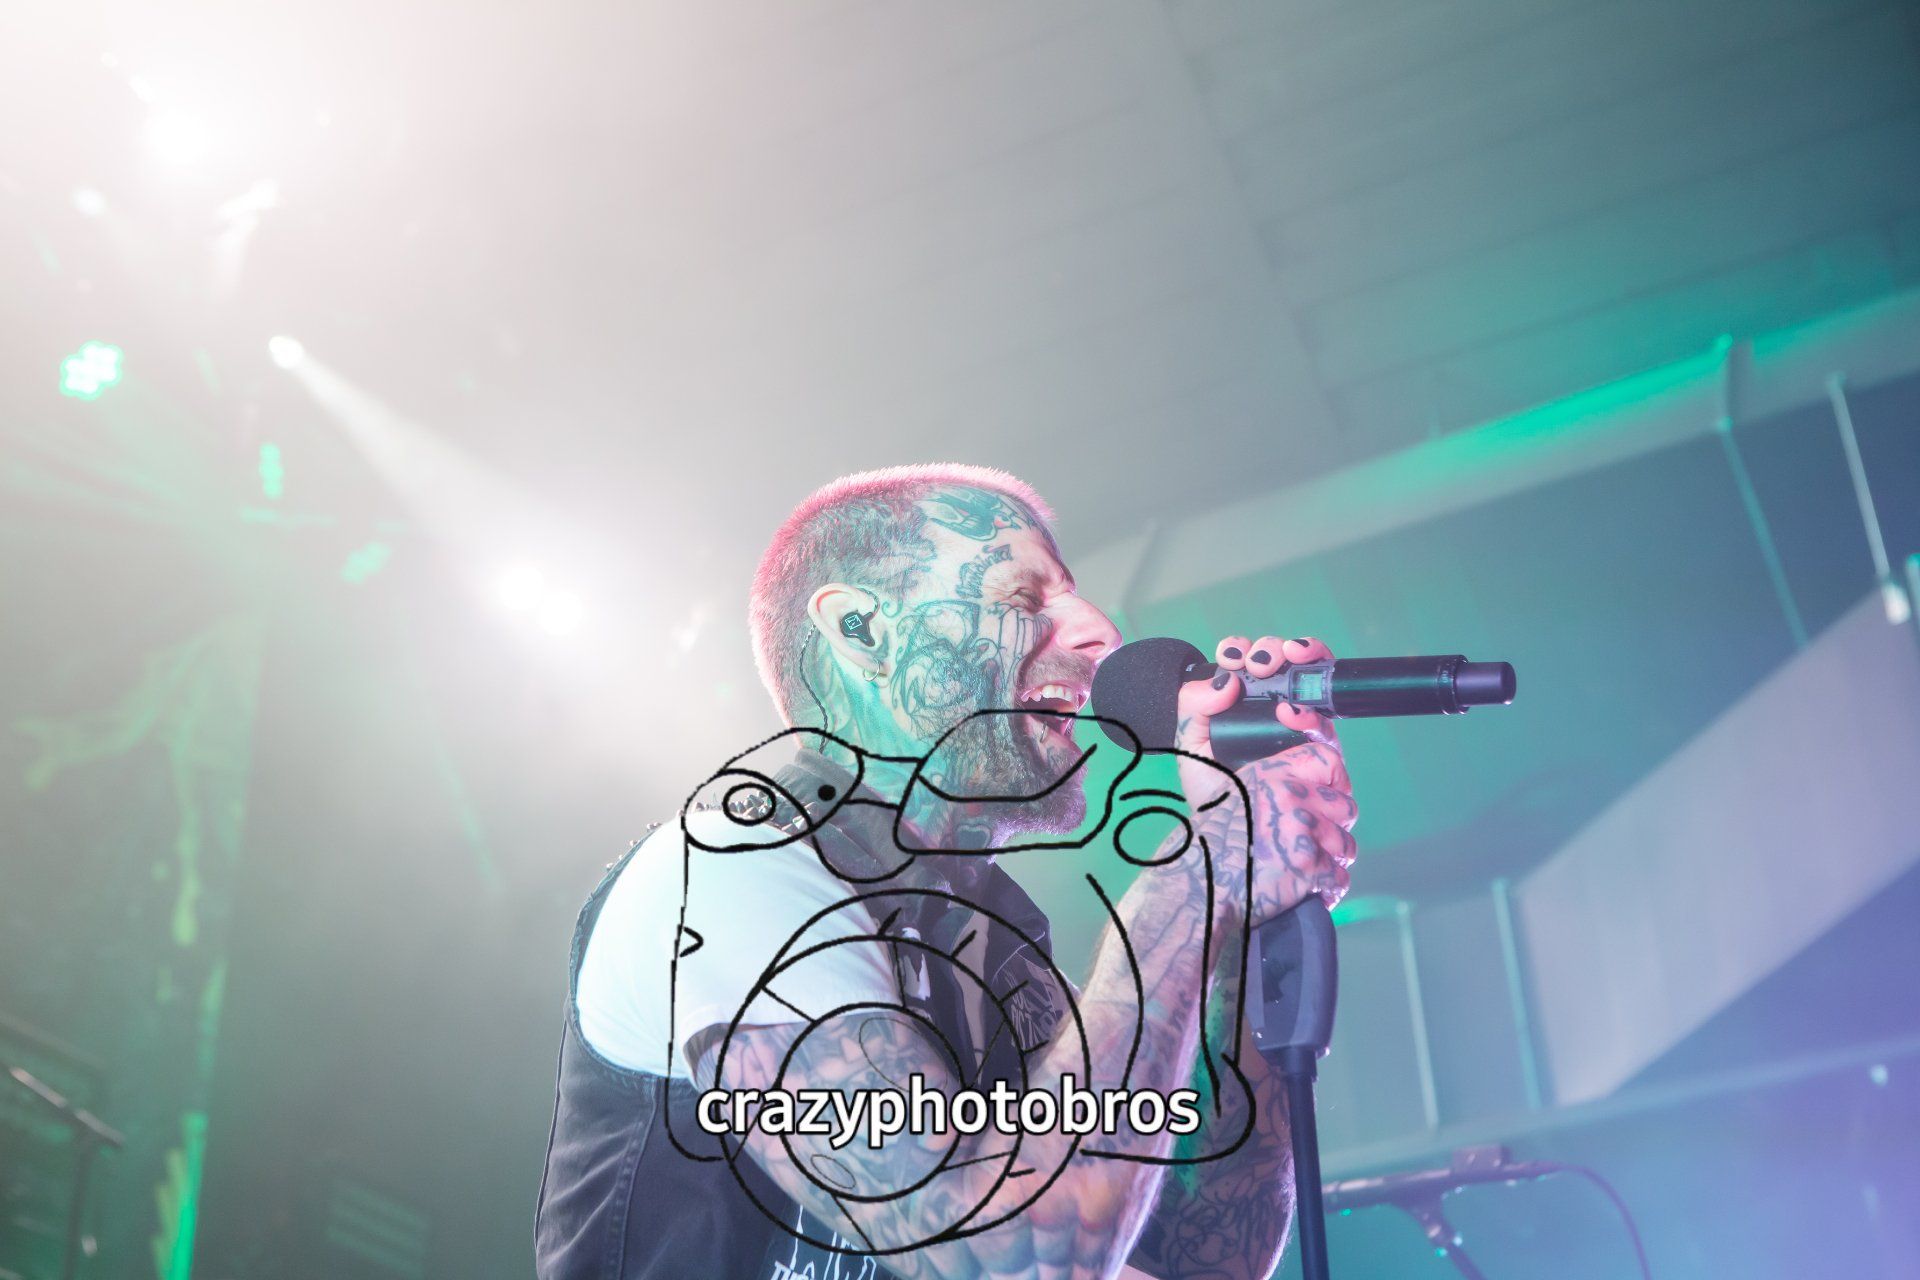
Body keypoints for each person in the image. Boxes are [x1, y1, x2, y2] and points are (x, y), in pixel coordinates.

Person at [534, 464, 1359, 1280]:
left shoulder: (989, 945)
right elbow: (1013, 1259)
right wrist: (1196, 879)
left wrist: (1250, 912)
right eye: (1022, 599)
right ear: (862, 630)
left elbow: (1197, 1259)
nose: (1101, 631)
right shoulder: (729, 872)